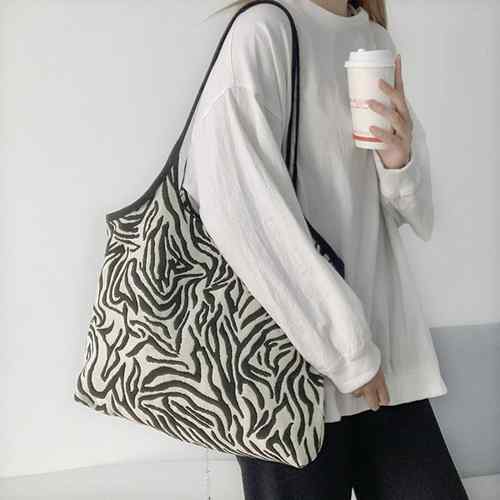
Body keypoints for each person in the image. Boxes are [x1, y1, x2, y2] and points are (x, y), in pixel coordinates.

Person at [180, 0, 470, 498]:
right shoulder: (263, 32)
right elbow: (238, 208)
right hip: (289, 374)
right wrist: (348, 351)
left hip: (385, 359)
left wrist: (399, 159)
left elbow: (414, 215)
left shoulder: (374, 39)